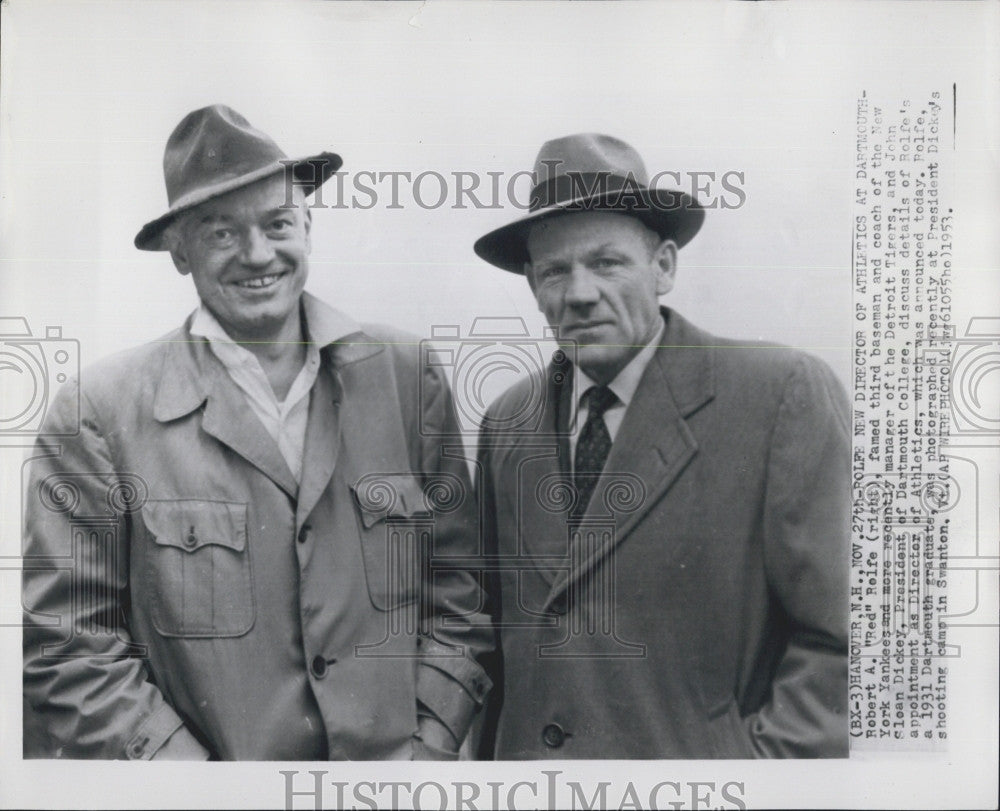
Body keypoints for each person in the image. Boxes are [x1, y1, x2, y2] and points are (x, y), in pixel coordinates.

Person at [22, 105, 493, 760]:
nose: (257, 254)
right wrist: (195, 786)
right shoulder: (97, 414)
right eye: (221, 234)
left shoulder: (408, 377)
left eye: (277, 223)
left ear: (308, 223)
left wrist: (427, 746)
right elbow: (69, 647)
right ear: (180, 252)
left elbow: (460, 597)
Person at [473, 133, 849, 758]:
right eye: (554, 271)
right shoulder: (507, 420)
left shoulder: (781, 394)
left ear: (665, 267)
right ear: (535, 288)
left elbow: (840, 641)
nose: (580, 292)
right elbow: (495, 640)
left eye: (607, 262)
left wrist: (753, 784)